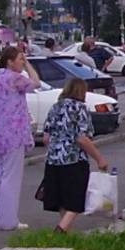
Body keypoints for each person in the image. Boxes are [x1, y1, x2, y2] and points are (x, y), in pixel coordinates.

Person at [39, 78, 109, 233]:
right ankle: (61, 230)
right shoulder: (80, 109)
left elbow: (46, 138)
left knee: (63, 200)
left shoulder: (55, 107)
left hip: (53, 160)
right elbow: (82, 138)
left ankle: (66, 234)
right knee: (77, 200)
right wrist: (99, 158)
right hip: (74, 160)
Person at [0, 45, 41, 231]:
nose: (22, 63)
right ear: (10, 61)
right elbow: (36, 82)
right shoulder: (15, 78)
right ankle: (8, 220)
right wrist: (29, 64)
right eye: (20, 60)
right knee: (11, 178)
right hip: (14, 134)